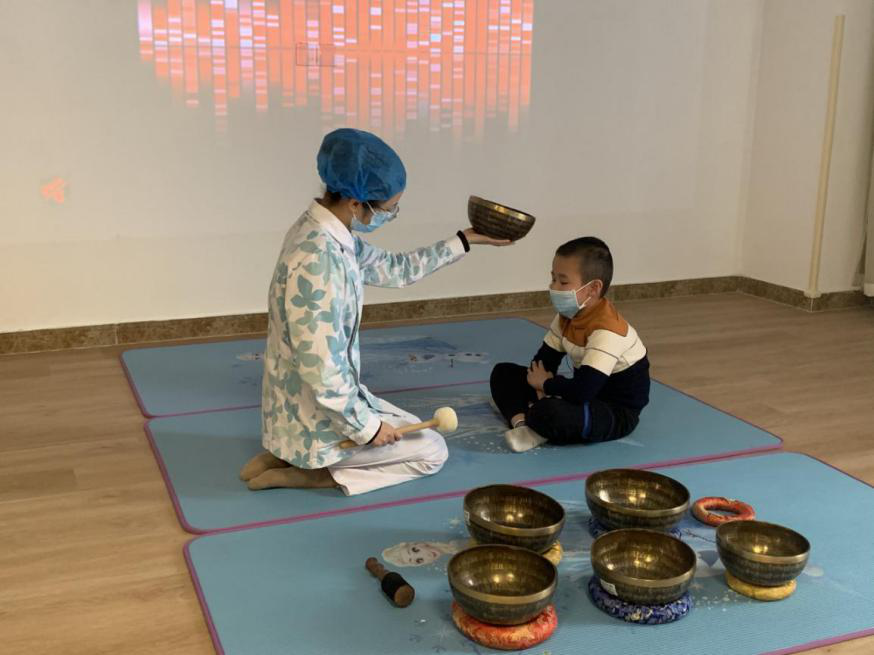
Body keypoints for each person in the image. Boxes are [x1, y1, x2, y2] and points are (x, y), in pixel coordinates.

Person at [240, 128, 510, 494]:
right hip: (319, 411)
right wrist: (366, 429)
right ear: (356, 203)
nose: (391, 214)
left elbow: (396, 268)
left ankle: (285, 455)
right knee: (432, 450)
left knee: (406, 422)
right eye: (387, 209)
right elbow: (321, 369)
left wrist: (465, 239)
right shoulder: (319, 260)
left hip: (297, 414)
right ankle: (314, 473)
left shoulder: (321, 231)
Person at [490, 237, 650, 452]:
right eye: (553, 278)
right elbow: (542, 362)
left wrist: (546, 385)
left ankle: (532, 418)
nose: (553, 287)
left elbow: (582, 391)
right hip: (580, 394)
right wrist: (542, 386)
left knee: (549, 411)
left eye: (563, 282)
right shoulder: (567, 315)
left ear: (593, 288)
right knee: (503, 373)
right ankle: (522, 424)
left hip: (613, 411)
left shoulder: (608, 331)